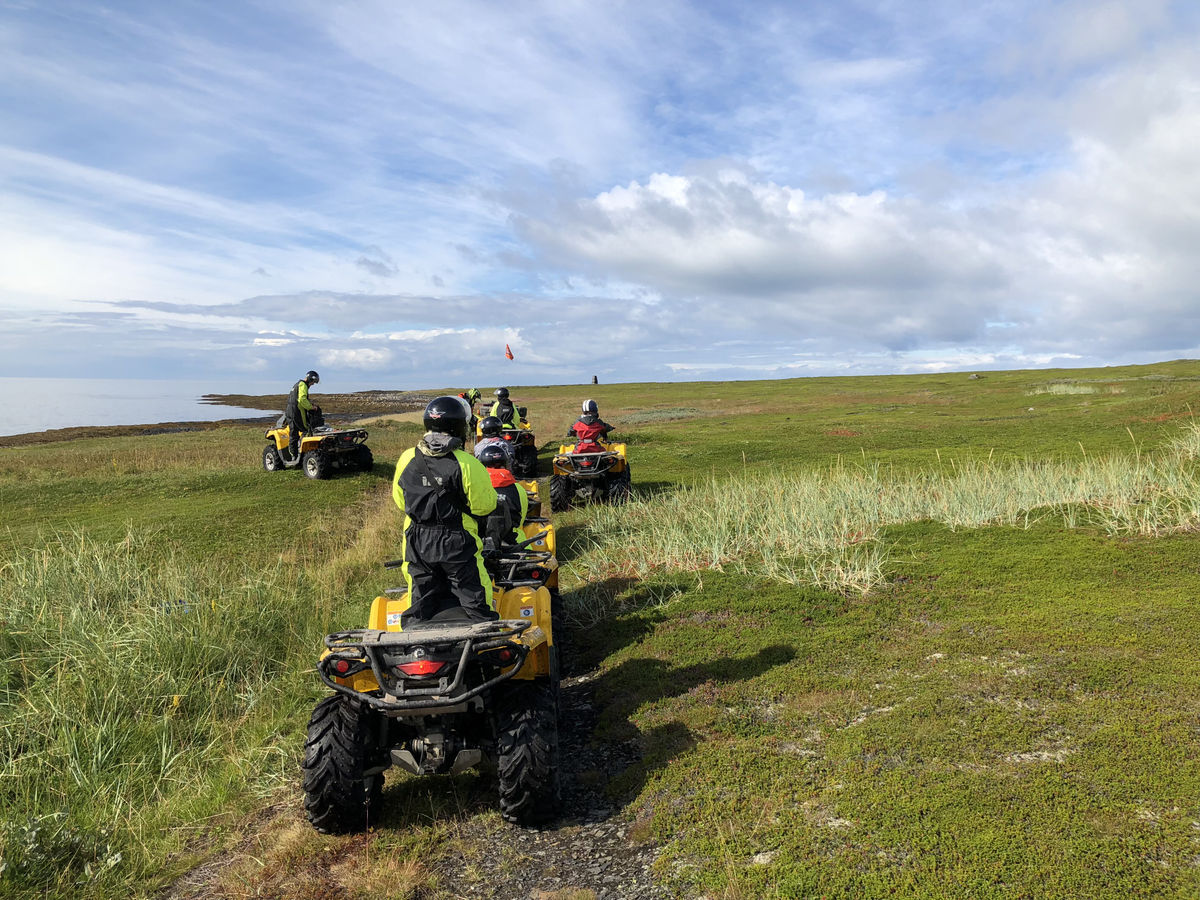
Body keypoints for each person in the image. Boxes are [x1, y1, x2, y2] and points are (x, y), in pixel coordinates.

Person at [392, 396, 498, 626]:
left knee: (420, 599)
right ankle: (486, 648)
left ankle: (415, 646)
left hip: (417, 541)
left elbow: (400, 501)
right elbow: (485, 506)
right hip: (457, 542)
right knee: (476, 601)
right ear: (459, 426)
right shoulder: (467, 463)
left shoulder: (406, 459)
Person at [478, 443, 528, 547]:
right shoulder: (519, 489)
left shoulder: (477, 487)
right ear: (505, 464)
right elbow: (521, 519)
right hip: (513, 541)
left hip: (481, 543)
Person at [285, 370, 320, 460]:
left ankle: (295, 454)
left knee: (294, 432)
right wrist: (311, 407)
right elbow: (302, 400)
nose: (312, 384)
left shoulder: (297, 384)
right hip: (296, 412)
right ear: (309, 379)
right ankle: (298, 454)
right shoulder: (303, 385)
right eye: (313, 382)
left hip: (290, 411)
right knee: (305, 429)